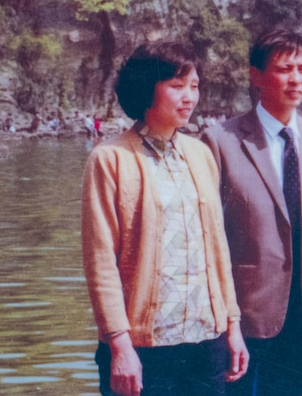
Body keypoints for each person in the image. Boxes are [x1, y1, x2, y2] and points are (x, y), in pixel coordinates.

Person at [81, 41, 248, 396]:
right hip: (143, 348)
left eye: (195, 86)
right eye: (177, 86)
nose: (189, 97)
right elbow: (100, 262)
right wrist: (120, 346)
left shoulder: (201, 154)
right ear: (146, 87)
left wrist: (232, 326)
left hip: (207, 343)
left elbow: (218, 250)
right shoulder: (109, 158)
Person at [202, 30, 302, 396]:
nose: (296, 79)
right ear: (256, 75)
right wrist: (222, 312)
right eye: (285, 69)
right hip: (244, 310)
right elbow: (208, 234)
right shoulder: (220, 140)